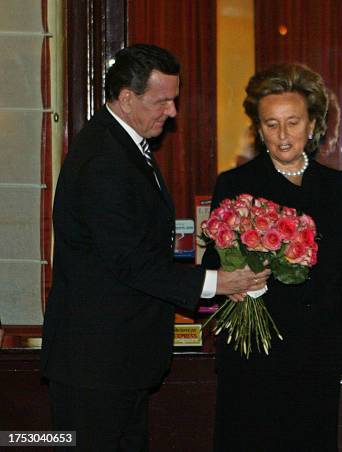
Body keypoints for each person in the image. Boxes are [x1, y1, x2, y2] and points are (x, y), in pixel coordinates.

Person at [41, 44, 269, 451]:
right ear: (127, 98)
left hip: (117, 360)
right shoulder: (104, 159)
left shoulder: (122, 145)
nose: (173, 112)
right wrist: (215, 282)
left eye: (174, 99)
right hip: (97, 364)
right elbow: (130, 261)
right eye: (162, 100)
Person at [204, 63, 342, 451]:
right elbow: (214, 267)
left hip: (316, 353)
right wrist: (238, 278)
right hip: (256, 357)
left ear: (312, 124)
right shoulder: (237, 184)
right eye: (271, 125)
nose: (283, 135)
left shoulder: (334, 185)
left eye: (292, 122)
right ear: (259, 130)